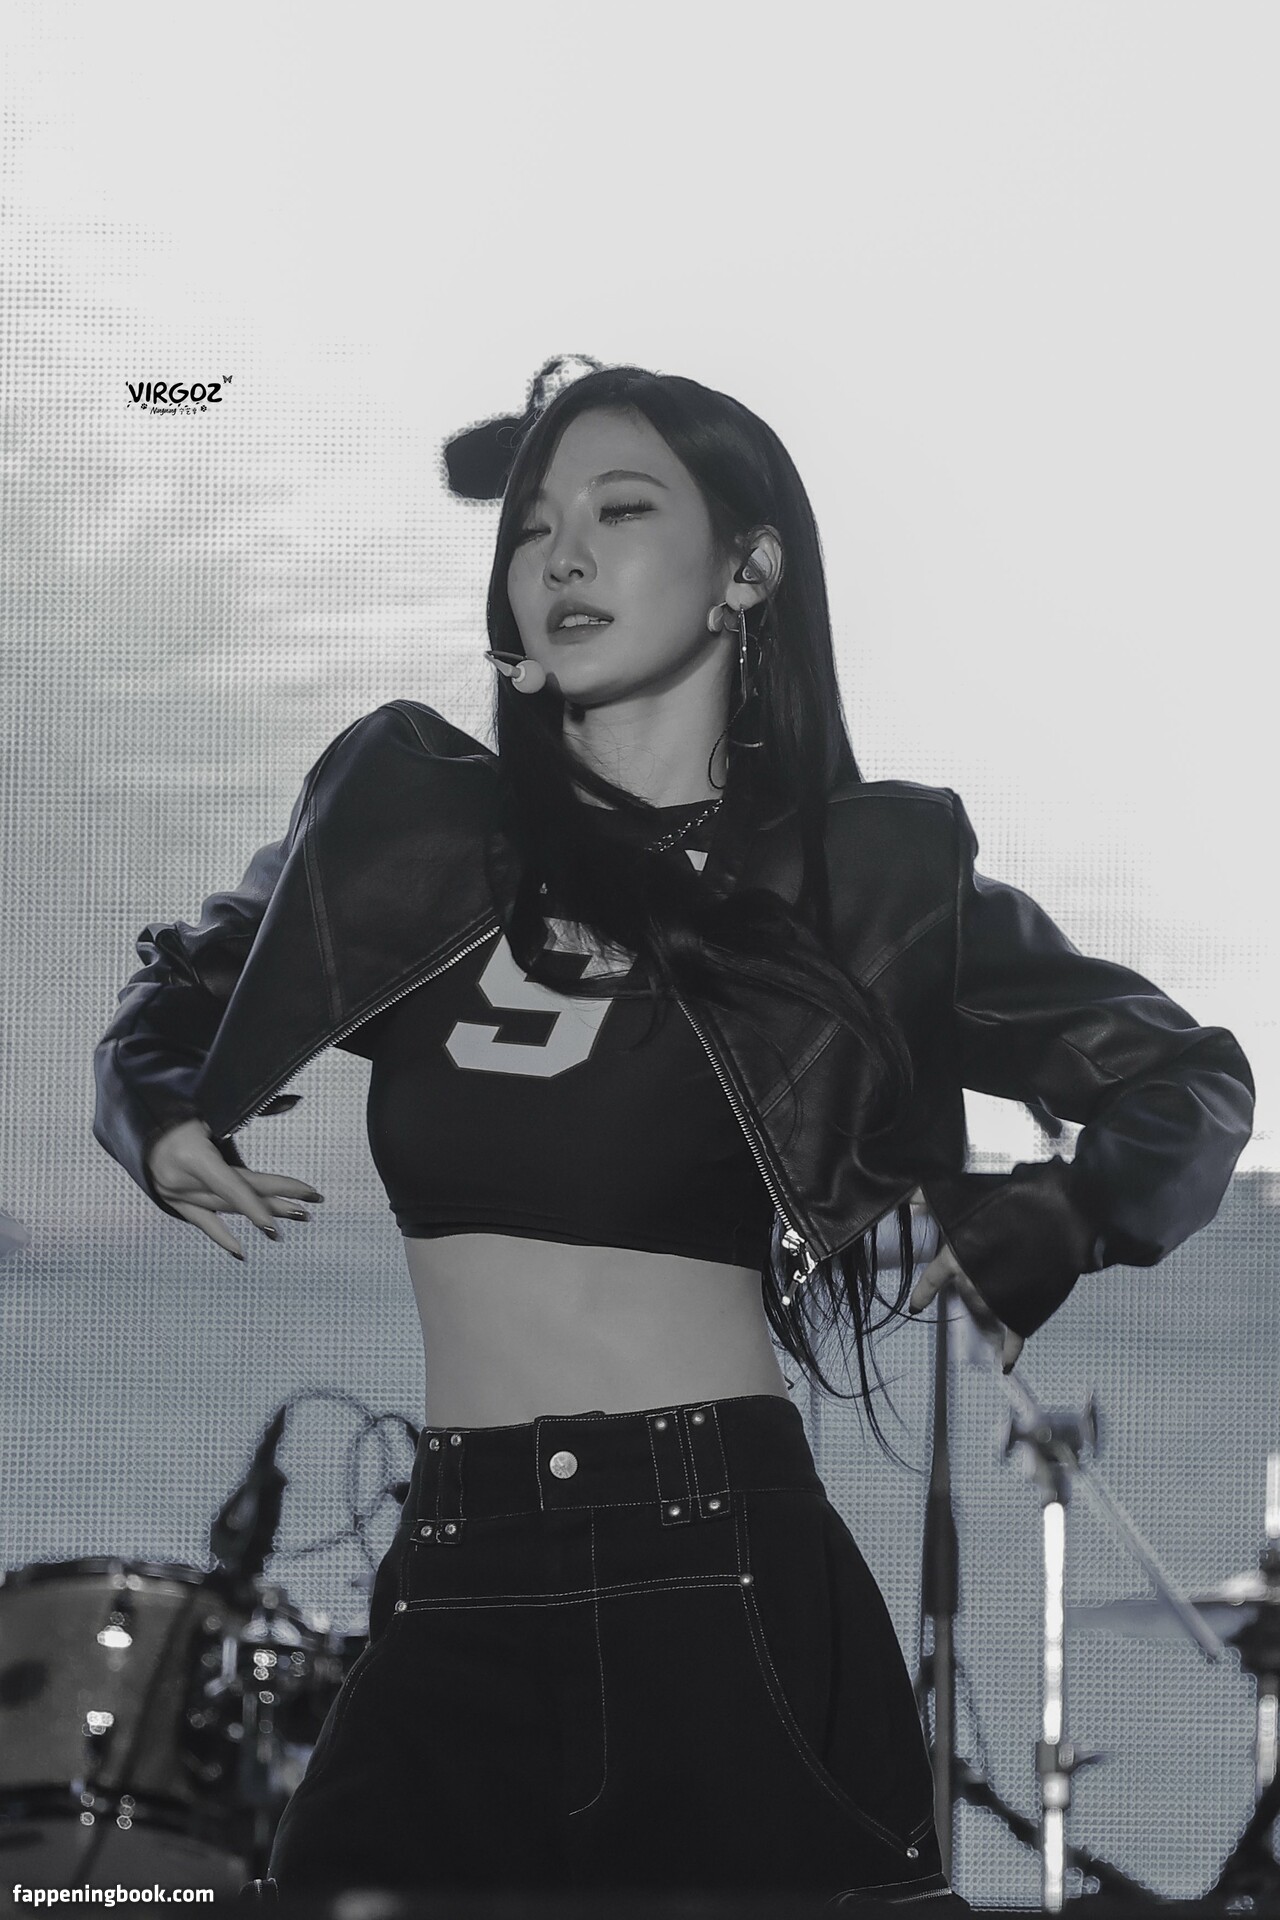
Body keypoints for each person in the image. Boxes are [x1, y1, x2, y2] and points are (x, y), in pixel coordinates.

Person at [93, 365, 1253, 1910]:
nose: (562, 553)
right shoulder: (405, 822)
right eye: (534, 528)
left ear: (747, 570)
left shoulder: (864, 881)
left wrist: (1050, 1215)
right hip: (456, 1569)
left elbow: (1187, 1080)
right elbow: (183, 985)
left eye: (621, 511)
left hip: (718, 1572)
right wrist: (161, 1105)